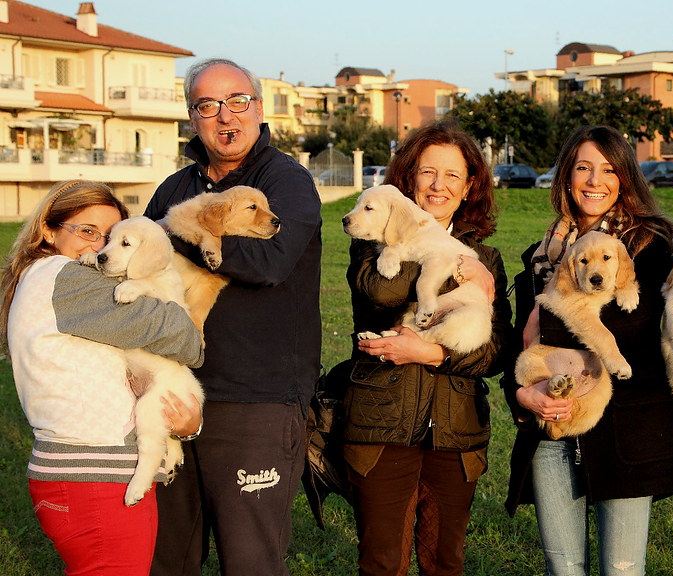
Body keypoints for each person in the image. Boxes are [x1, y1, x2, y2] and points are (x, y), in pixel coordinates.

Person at [143, 58, 323, 576]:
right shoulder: (177, 188)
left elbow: (269, 261)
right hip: (175, 390)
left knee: (250, 563)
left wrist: (184, 234)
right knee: (168, 558)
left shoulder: (285, 182)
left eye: (238, 101)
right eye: (208, 105)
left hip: (255, 402)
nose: (226, 116)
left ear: (259, 108)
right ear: (192, 117)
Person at [504, 125, 673, 576]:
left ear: (625, 177)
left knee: (623, 569)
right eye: (583, 168)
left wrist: (545, 316)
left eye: (608, 170)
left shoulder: (652, 246)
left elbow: (635, 328)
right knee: (563, 569)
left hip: (628, 430)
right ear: (566, 176)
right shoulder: (542, 255)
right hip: (551, 428)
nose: (594, 181)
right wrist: (521, 396)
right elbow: (520, 345)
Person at [0, 180, 203, 576]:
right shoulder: (66, 276)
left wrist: (186, 427)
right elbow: (184, 339)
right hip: (95, 478)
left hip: (83, 472)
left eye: (110, 237)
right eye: (87, 231)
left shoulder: (40, 275)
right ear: (48, 229)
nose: (100, 248)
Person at [340, 120, 512, 575]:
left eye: (452, 175)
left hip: (456, 432)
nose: (439, 186)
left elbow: (496, 350)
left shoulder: (486, 257)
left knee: (445, 562)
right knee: (382, 563)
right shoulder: (371, 233)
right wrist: (428, 247)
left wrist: (434, 354)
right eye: (427, 172)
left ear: (469, 185)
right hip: (382, 424)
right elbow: (381, 293)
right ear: (408, 176)